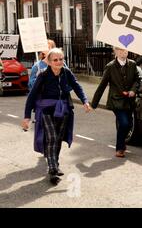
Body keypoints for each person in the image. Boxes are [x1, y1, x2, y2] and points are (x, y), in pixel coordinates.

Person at [21, 48, 92, 185]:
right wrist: (27, 116)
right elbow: (32, 96)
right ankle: (53, 168)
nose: (59, 62)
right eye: (55, 60)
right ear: (48, 61)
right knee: (52, 137)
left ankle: (55, 163)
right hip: (46, 110)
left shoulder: (66, 72)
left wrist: (85, 101)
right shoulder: (43, 75)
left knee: (58, 139)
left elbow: (77, 86)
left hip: (63, 110)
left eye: (61, 59)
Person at [91, 47, 140, 158]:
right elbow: (102, 86)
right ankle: (120, 148)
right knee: (124, 123)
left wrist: (133, 90)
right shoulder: (110, 67)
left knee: (128, 124)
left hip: (129, 101)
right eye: (120, 50)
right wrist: (93, 104)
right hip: (116, 101)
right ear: (116, 52)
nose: (124, 52)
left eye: (125, 50)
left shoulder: (132, 64)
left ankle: (122, 141)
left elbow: (137, 79)